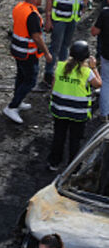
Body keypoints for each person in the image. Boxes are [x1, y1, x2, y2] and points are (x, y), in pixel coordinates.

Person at [48, 40, 101, 171]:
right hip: (78, 112)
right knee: (75, 140)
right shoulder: (87, 72)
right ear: (86, 57)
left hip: (59, 109)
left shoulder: (60, 66)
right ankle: (73, 167)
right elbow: (98, 84)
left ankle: (54, 162)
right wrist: (94, 67)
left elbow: (53, 86)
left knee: (59, 136)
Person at [4, 0, 51, 124]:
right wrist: (46, 53)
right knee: (30, 80)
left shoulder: (19, 6)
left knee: (21, 76)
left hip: (17, 49)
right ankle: (12, 106)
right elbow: (36, 37)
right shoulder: (32, 15)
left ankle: (17, 101)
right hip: (27, 53)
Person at [44, 0, 90, 88]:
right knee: (55, 46)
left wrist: (85, 4)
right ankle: (48, 73)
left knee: (66, 46)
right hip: (59, 18)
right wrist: (48, 19)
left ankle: (63, 72)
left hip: (73, 18)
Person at [91, 0, 109, 122]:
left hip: (107, 53)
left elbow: (94, 32)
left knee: (106, 82)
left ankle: (104, 113)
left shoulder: (105, 13)